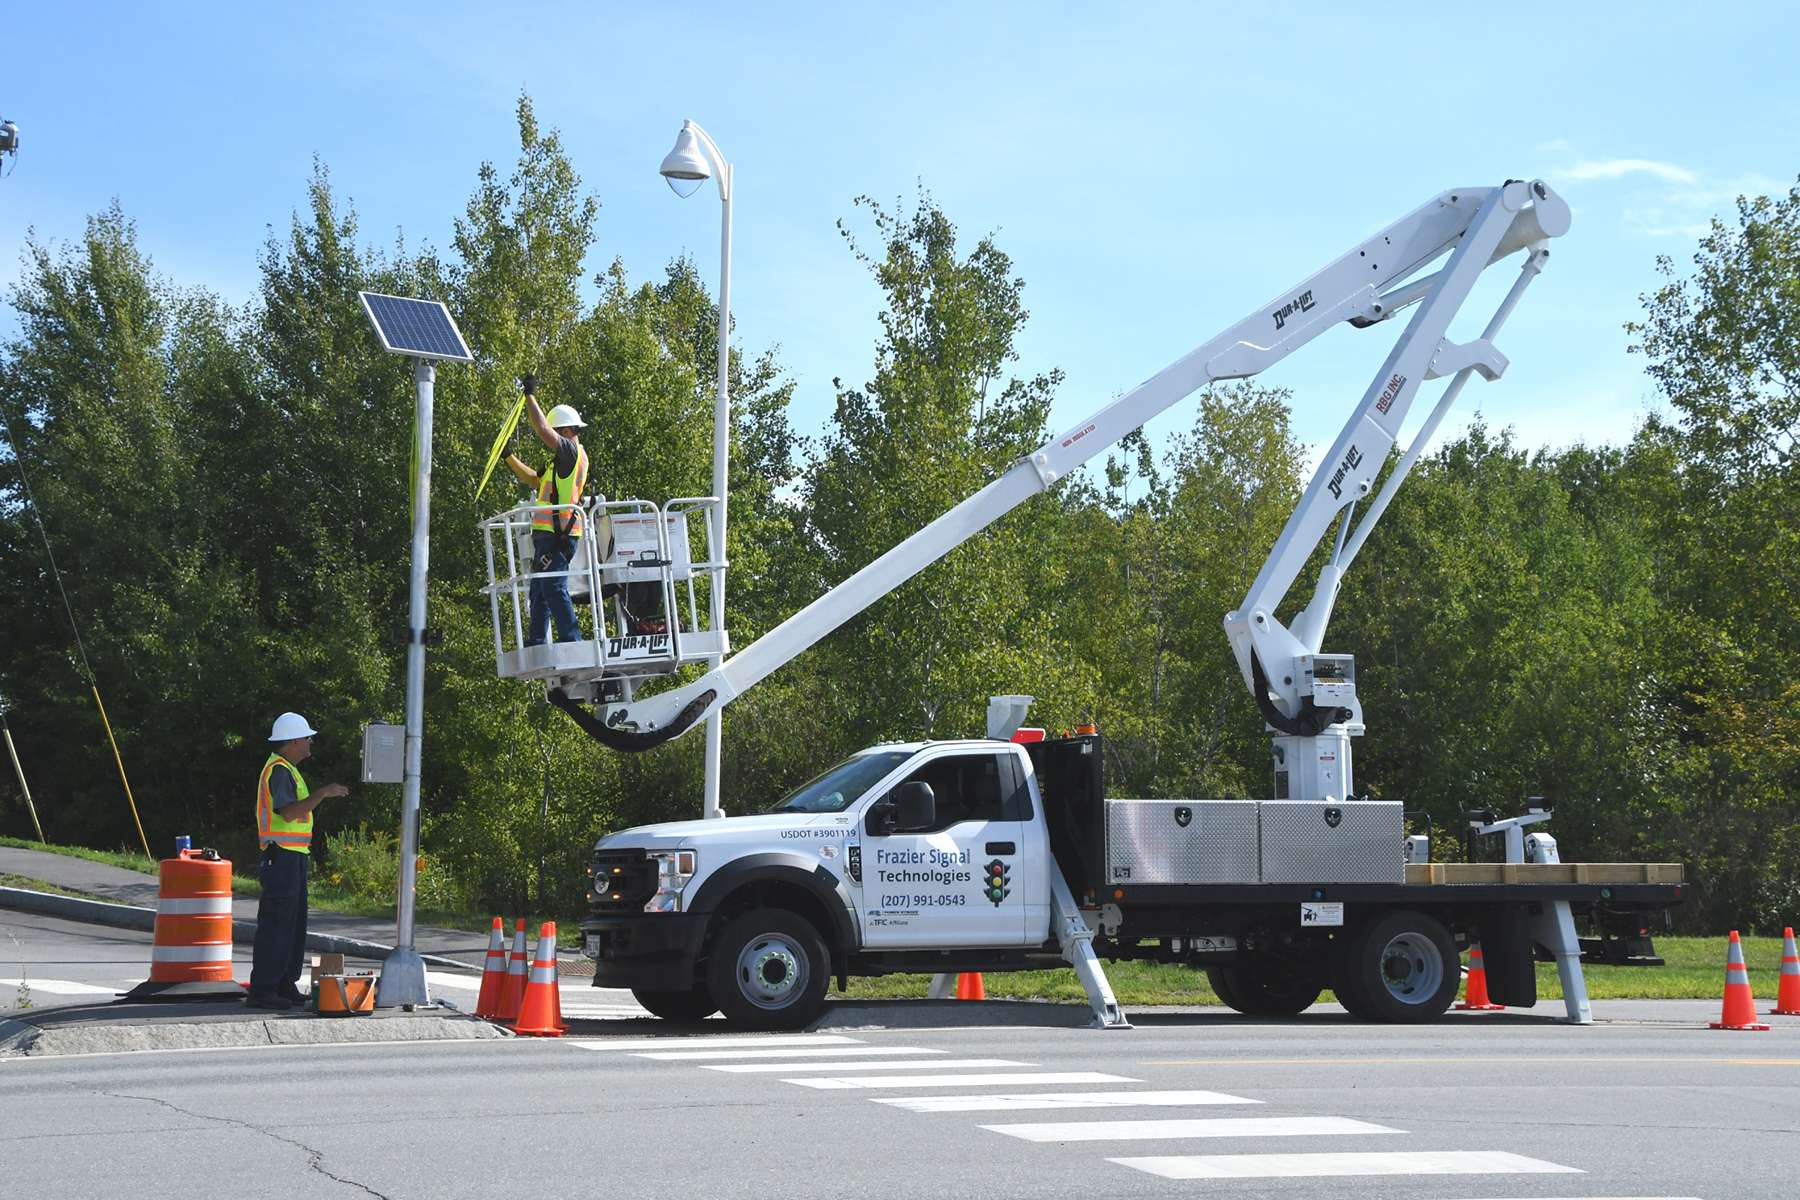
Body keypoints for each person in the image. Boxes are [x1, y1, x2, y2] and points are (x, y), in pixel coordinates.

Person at [248, 712, 349, 1010]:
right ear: (293, 741)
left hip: (291, 857)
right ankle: (264, 989)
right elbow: (289, 813)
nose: (310, 742)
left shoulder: (286, 769)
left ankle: (283, 984)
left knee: (292, 926)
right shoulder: (280, 770)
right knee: (278, 926)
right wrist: (322, 793)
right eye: (306, 737)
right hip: (281, 857)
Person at [504, 373, 590, 646]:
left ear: (565, 431)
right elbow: (533, 479)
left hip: (559, 535)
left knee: (552, 587)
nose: (551, 438)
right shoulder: (557, 464)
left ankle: (571, 639)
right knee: (539, 591)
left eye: (557, 433)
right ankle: (537, 640)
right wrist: (509, 457)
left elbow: (542, 429)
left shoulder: (570, 454)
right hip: (547, 535)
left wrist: (529, 396)